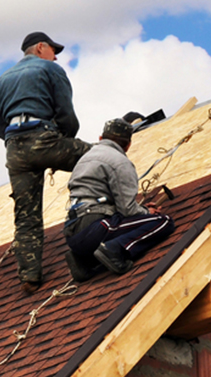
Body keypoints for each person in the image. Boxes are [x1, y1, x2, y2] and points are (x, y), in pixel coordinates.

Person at [0, 31, 90, 293]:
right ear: (39, 48)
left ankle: (29, 276)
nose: (56, 56)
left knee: (26, 216)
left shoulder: (2, 80)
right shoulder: (49, 69)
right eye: (53, 50)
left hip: (14, 150)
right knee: (97, 156)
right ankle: (110, 217)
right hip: (43, 138)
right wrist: (61, 145)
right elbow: (67, 114)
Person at [63, 118, 175, 281]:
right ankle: (114, 249)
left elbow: (104, 200)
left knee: (120, 227)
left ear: (101, 139)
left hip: (74, 233)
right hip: (97, 226)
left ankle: (85, 260)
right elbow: (127, 210)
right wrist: (145, 212)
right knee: (163, 221)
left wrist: (141, 211)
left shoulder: (84, 160)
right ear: (128, 145)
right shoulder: (120, 162)